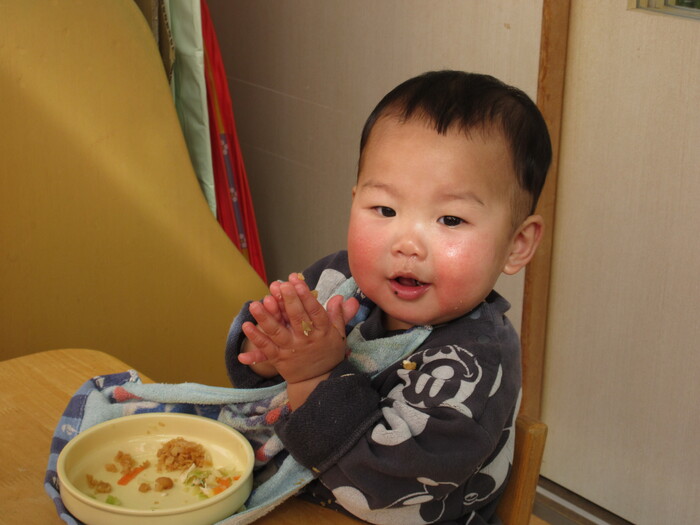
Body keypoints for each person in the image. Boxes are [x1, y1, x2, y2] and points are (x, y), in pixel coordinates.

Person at [225, 70, 551, 524]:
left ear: (517, 244)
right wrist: (266, 351)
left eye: (450, 220)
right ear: (355, 200)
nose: (407, 243)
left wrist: (313, 375)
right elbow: (259, 389)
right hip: (288, 496)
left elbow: (384, 487)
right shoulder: (337, 278)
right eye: (385, 209)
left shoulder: (475, 364)